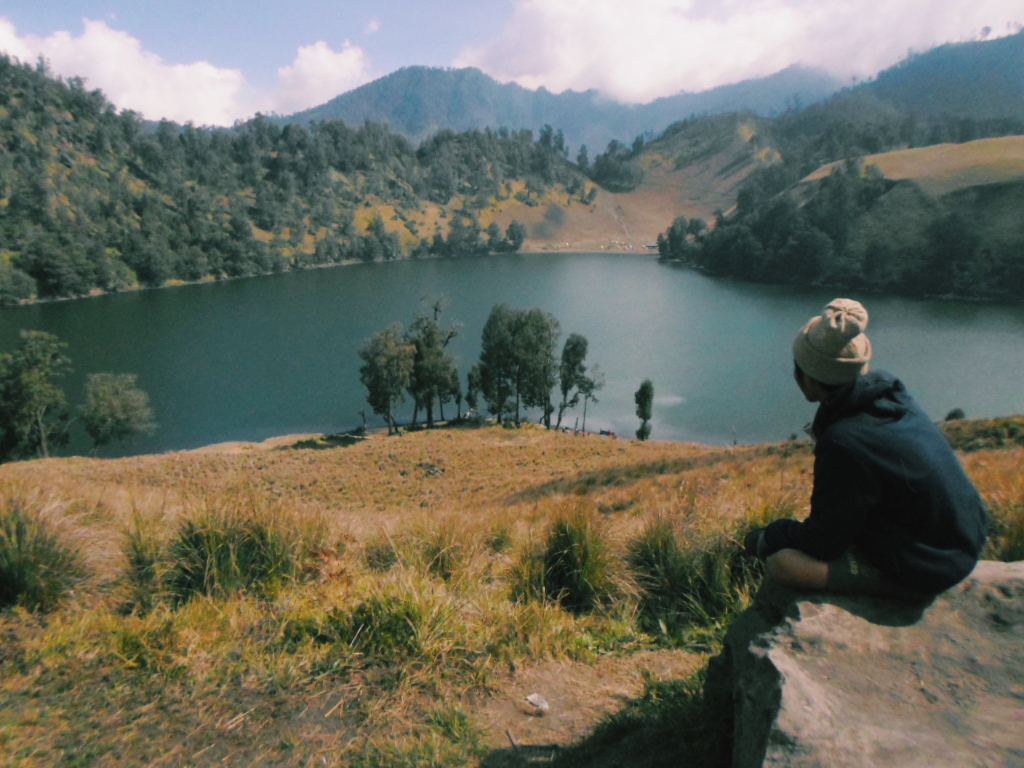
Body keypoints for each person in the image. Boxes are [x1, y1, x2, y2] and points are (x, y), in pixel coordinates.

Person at [744, 298, 987, 600]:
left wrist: (772, 535)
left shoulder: (845, 441)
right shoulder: (892, 396)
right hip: (963, 538)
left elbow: (824, 543)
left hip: (933, 564)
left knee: (783, 564)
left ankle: (903, 590)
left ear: (806, 377)